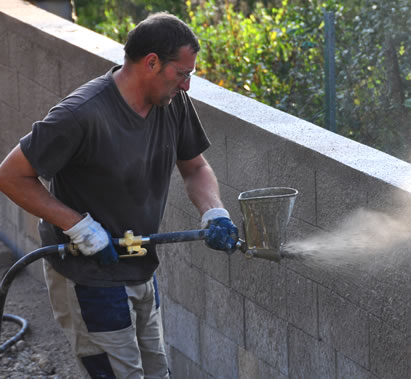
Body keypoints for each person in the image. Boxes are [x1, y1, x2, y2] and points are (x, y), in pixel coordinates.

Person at [0, 12, 238, 379]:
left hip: (141, 268)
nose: (187, 85)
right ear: (152, 63)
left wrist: (214, 212)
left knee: (157, 372)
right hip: (88, 276)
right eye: (183, 74)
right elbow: (11, 175)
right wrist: (78, 226)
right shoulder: (82, 114)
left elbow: (195, 167)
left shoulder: (171, 103)